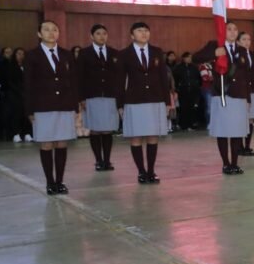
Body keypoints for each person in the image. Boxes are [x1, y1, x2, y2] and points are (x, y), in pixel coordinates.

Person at [24, 21, 79, 195]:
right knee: (47, 143)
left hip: (64, 104)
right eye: (46, 30)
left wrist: (75, 106)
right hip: (42, 105)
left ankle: (60, 181)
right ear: (39, 34)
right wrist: (29, 109)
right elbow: (27, 84)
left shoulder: (66, 54)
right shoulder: (32, 55)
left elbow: (73, 82)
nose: (51, 33)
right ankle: (50, 182)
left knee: (62, 142)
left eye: (54, 30)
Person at [193, 21, 251, 175]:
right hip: (222, 94)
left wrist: (248, 98)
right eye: (229, 29)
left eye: (235, 29)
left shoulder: (242, 50)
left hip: (239, 95)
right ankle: (226, 163)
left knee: (237, 131)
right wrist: (214, 54)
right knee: (223, 130)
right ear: (222, 31)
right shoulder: (215, 45)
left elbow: (246, 76)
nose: (232, 32)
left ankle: (235, 163)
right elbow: (195, 58)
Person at [117, 22, 172, 184]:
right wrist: (120, 104)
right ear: (132, 35)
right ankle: (141, 171)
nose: (144, 33)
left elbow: (163, 78)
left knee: (152, 136)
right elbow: (119, 80)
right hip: (134, 100)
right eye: (139, 31)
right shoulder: (124, 54)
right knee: (136, 137)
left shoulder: (157, 52)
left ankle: (151, 171)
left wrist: (167, 101)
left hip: (155, 99)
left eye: (146, 30)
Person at [77, 24, 121, 171]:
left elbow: (118, 77)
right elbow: (79, 77)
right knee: (95, 130)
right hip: (92, 96)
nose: (102, 36)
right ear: (92, 36)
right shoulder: (84, 53)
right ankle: (98, 160)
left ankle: (107, 161)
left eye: (104, 33)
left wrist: (119, 97)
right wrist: (81, 98)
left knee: (107, 130)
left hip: (110, 96)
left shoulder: (114, 53)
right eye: (98, 33)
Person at [238, 31, 254, 156]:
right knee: (241, 119)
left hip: (253, 90)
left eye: (249, 39)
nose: (247, 42)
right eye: (244, 39)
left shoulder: (253, 55)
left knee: (251, 119)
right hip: (241, 91)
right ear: (238, 42)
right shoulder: (236, 54)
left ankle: (247, 146)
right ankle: (239, 146)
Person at [172, 52, 202, 131]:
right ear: (184, 58)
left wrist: (197, 85)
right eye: (188, 57)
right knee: (184, 108)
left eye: (190, 57)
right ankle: (184, 125)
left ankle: (192, 124)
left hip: (193, 90)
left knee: (193, 107)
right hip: (183, 90)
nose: (189, 59)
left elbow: (199, 78)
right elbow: (175, 79)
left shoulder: (194, 67)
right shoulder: (178, 68)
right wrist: (177, 88)